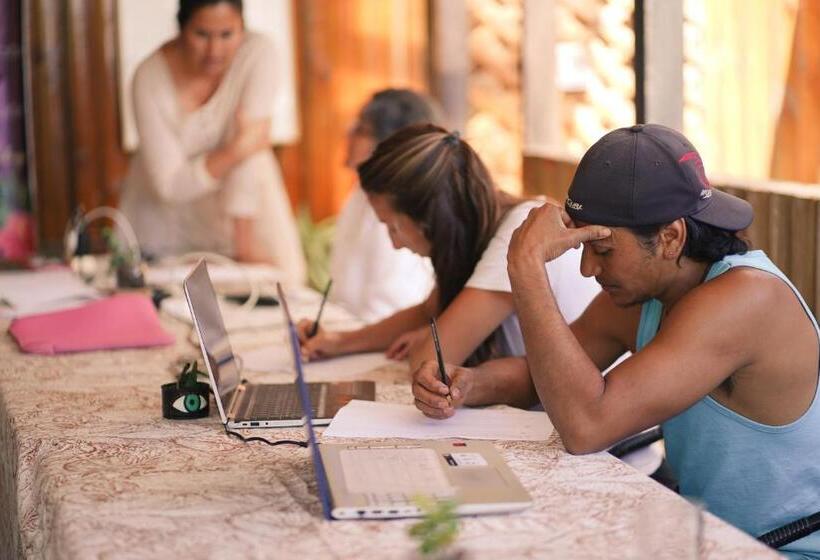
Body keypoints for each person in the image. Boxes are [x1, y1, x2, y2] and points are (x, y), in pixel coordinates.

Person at [412, 124, 820, 559]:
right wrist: (468, 383)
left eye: (603, 250)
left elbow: (586, 427)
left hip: (780, 550)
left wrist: (527, 267)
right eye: (583, 247)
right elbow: (543, 375)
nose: (588, 269)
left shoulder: (745, 300)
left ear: (670, 237)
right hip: (704, 535)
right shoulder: (646, 292)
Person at [298, 124, 599, 373]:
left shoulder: (518, 232)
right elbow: (428, 311)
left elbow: (431, 362)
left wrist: (432, 337)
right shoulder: (490, 220)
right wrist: (337, 341)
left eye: (393, 227)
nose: (395, 243)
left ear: (433, 221)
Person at [120, 0, 306, 283]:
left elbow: (251, 157)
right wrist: (236, 150)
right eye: (202, 34)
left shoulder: (259, 54)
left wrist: (243, 248)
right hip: (167, 221)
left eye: (227, 34)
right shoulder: (147, 77)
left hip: (245, 214)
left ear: (242, 28)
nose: (214, 51)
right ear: (181, 28)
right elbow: (169, 186)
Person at [329, 89, 437, 323]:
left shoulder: (398, 207)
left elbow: (387, 305)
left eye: (361, 130)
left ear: (387, 144)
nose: (349, 134)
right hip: (349, 328)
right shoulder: (359, 194)